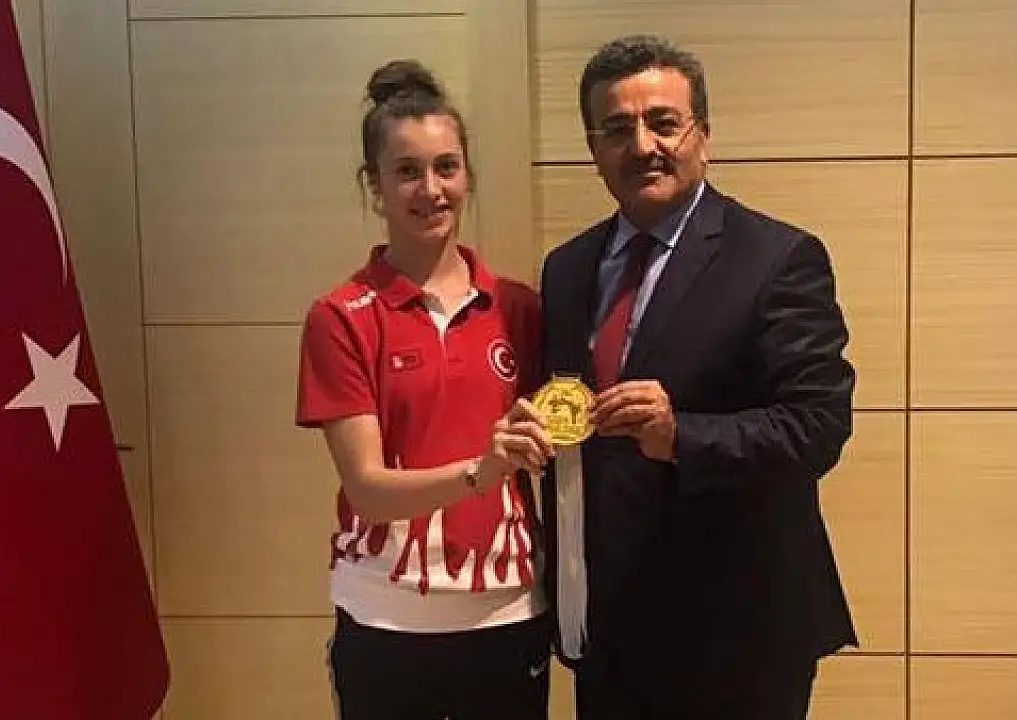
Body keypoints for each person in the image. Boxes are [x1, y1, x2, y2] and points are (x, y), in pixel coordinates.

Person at [537, 35, 859, 719]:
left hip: (738, 631)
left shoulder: (778, 258)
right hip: (609, 628)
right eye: (617, 129)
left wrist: (681, 435)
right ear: (594, 148)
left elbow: (818, 428)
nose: (643, 146)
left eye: (664, 122)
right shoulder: (565, 270)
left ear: (703, 135)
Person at [295, 59, 554, 719]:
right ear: (374, 186)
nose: (431, 189)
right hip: (386, 621)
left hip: (508, 613)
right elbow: (367, 490)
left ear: (467, 175)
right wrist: (482, 470)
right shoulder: (340, 317)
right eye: (407, 170)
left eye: (446, 167)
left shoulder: (519, 307)